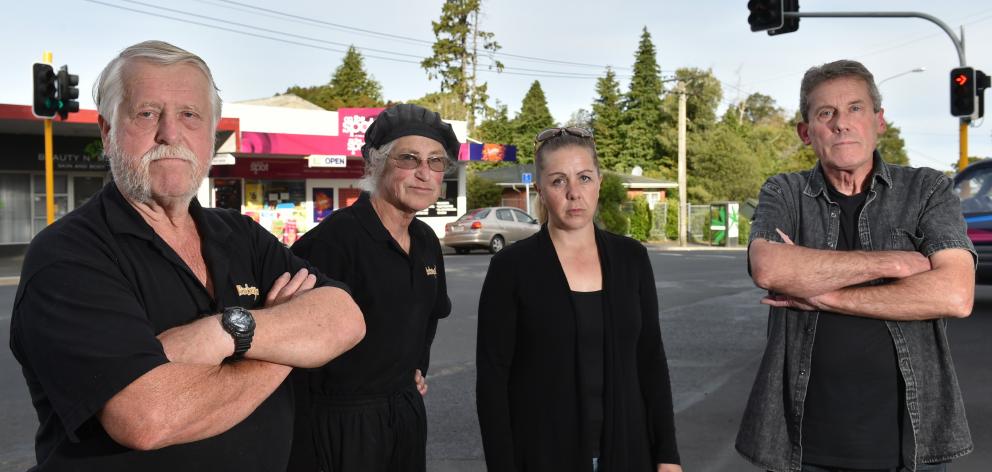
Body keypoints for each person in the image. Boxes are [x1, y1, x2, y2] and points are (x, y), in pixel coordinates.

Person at [9, 40, 365, 471]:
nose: (170, 134)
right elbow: (147, 418)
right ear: (107, 131)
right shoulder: (68, 256)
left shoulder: (240, 234)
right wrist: (288, 345)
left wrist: (223, 334)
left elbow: (345, 319)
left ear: (210, 136)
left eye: (190, 115)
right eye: (147, 113)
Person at [736, 60, 975, 472]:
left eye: (855, 108)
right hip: (802, 447)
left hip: (910, 447)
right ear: (806, 132)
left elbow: (955, 294)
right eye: (826, 113)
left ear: (879, 121)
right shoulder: (785, 191)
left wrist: (822, 292)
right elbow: (770, 268)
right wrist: (897, 262)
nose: (841, 124)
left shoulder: (926, 188)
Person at [476, 127, 682, 472]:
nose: (574, 193)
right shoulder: (511, 268)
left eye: (584, 178)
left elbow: (651, 361)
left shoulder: (631, 258)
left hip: (630, 452)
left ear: (599, 182)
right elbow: (493, 382)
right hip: (542, 454)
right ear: (540, 190)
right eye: (558, 181)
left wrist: (668, 455)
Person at [288, 104, 456, 472]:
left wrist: (412, 368)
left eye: (436, 161)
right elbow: (288, 343)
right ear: (375, 162)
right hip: (339, 424)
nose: (425, 173)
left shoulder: (426, 241)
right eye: (409, 159)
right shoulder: (330, 244)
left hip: (405, 413)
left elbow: (429, 316)